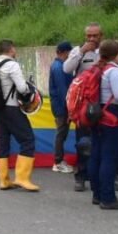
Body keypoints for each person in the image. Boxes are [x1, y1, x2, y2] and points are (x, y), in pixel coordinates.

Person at [87, 39, 118, 210]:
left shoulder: (98, 69)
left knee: (96, 155)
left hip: (97, 114)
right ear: (117, 55)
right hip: (111, 117)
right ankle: (108, 197)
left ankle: (97, 194)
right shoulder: (113, 72)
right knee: (109, 157)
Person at [0, 39, 39, 192]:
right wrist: (28, 89)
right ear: (11, 49)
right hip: (12, 108)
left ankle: (4, 180)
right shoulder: (12, 65)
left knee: (3, 140)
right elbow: (22, 88)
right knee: (28, 139)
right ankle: (22, 178)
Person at [63, 22, 103, 192]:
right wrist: (81, 52)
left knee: (103, 141)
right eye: (89, 36)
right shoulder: (77, 51)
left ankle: (105, 176)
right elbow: (67, 69)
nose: (92, 39)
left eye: (95, 35)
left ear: (101, 35)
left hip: (104, 103)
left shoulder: (106, 50)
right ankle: (81, 176)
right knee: (83, 142)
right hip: (84, 106)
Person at [48, 41, 74, 173]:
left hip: (61, 105)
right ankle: (58, 161)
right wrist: (69, 107)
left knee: (62, 133)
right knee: (61, 133)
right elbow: (62, 90)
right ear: (64, 52)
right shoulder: (59, 67)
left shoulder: (60, 66)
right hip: (61, 106)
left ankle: (59, 160)